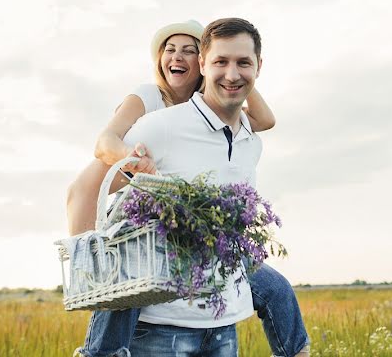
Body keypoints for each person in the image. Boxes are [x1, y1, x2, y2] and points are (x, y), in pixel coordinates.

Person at [67, 19, 310, 357]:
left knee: (276, 289)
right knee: (125, 282)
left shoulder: (245, 137)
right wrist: (89, 263)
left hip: (221, 327)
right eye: (219, 62)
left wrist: (236, 73)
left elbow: (264, 119)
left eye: (243, 62)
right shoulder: (151, 109)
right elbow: (90, 176)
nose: (231, 73)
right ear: (204, 65)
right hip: (148, 262)